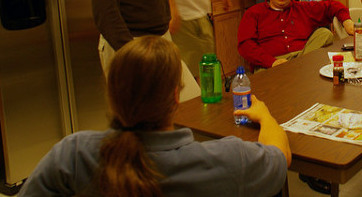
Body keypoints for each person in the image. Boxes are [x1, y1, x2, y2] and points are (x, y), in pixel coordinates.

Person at [18, 36, 290, 197]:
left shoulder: (73, 154)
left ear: (112, 95)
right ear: (175, 96)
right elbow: (280, 157)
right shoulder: (231, 159)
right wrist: (264, 116)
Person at [238, 0, 355, 71]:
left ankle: (299, 68)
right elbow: (245, 45)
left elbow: (331, 5)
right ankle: (300, 69)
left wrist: (346, 21)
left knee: (324, 34)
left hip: (302, 56)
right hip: (271, 64)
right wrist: (271, 62)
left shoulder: (302, 8)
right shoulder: (254, 13)